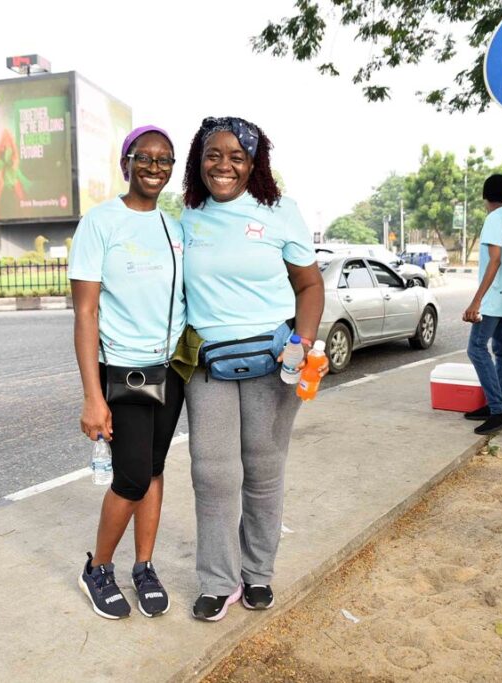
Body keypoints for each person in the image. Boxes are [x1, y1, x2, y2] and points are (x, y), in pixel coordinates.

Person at [179, 116, 324, 621]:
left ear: (253, 163)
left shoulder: (280, 211)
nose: (224, 166)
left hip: (273, 362)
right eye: (213, 155)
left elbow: (310, 285)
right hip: (208, 365)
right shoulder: (187, 217)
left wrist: (303, 342)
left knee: (263, 472)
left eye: (236, 157)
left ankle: (257, 572)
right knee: (212, 474)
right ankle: (218, 581)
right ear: (199, 161)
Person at [68, 125, 185, 619]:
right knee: (132, 478)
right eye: (144, 157)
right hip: (123, 370)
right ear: (126, 164)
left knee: (154, 468)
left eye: (164, 159)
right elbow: (85, 313)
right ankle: (97, 568)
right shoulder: (100, 222)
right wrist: (92, 397)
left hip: (170, 368)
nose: (154, 167)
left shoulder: (174, 227)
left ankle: (144, 565)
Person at [462, 174, 502, 435]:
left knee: (476, 348)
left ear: (485, 195)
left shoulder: (494, 219)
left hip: (493, 298)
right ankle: (495, 405)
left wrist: (476, 301)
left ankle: (499, 410)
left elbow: (495, 260)